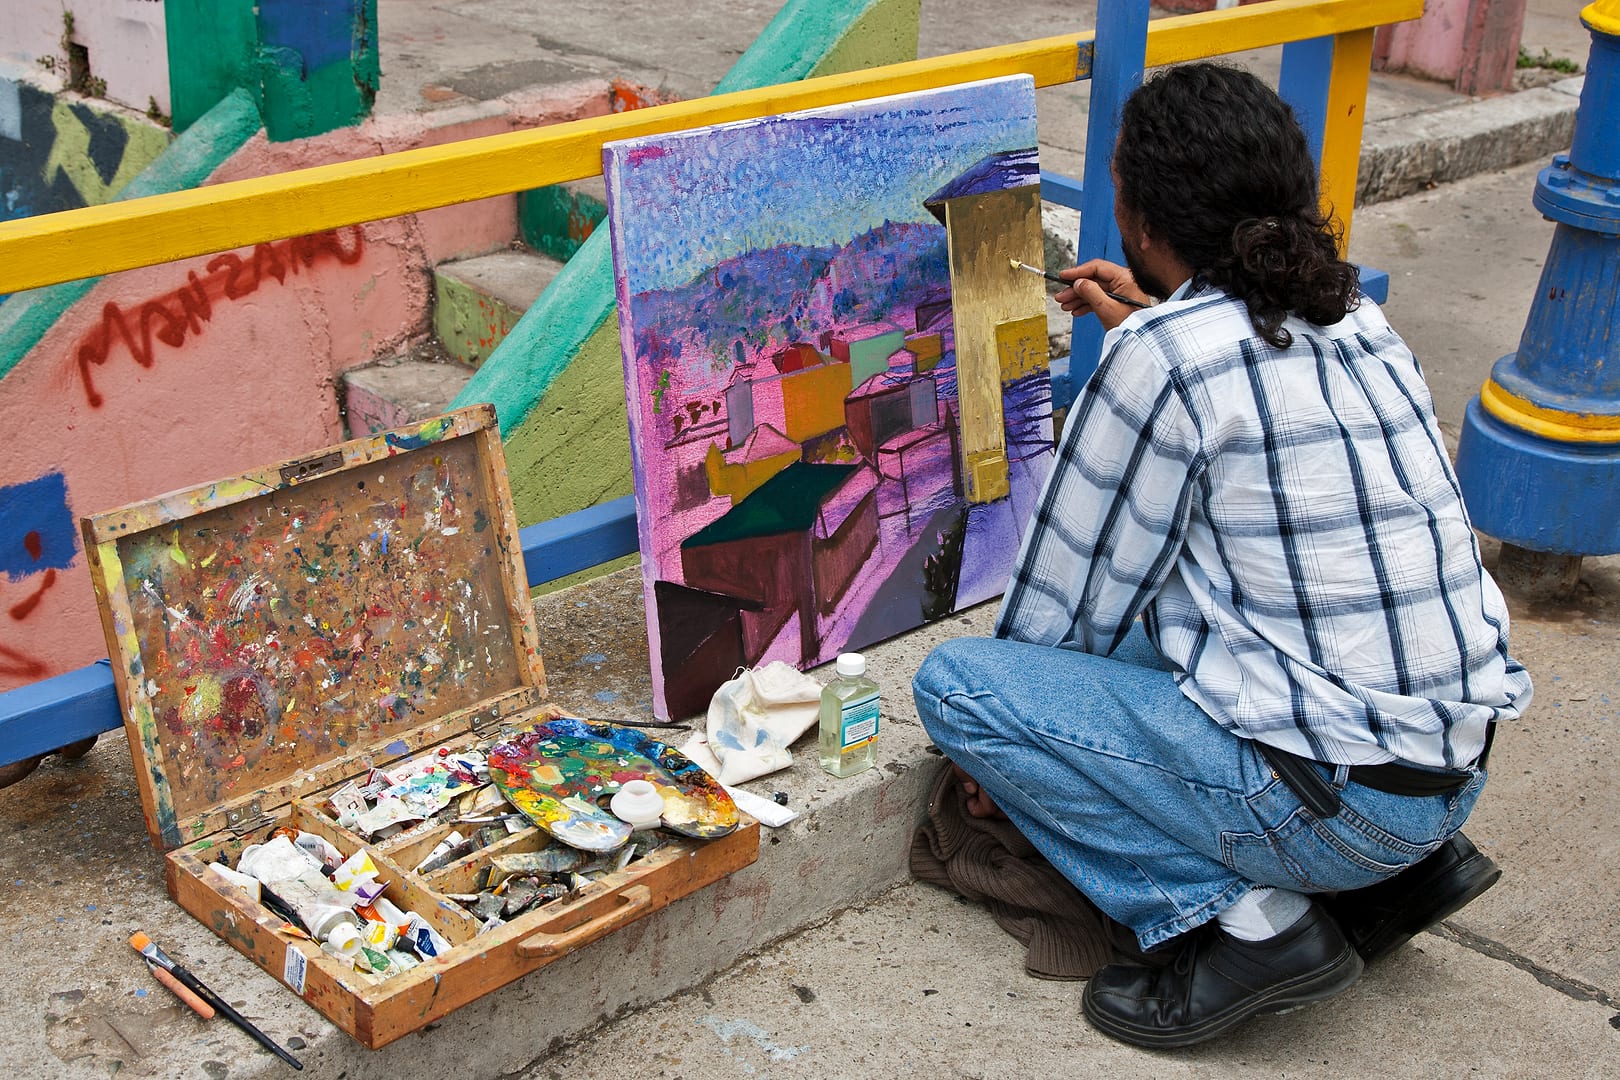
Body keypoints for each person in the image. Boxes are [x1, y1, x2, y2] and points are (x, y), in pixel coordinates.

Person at [911, 62, 1532, 1049]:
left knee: (962, 687)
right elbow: (1235, 392)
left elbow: (1064, 608)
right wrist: (1153, 320)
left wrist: (1006, 750)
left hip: (1338, 811)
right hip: (1449, 773)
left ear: (1143, 221)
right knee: (1183, 613)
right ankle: (1402, 874)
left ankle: (1255, 926)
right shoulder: (1356, 319)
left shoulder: (1164, 361)